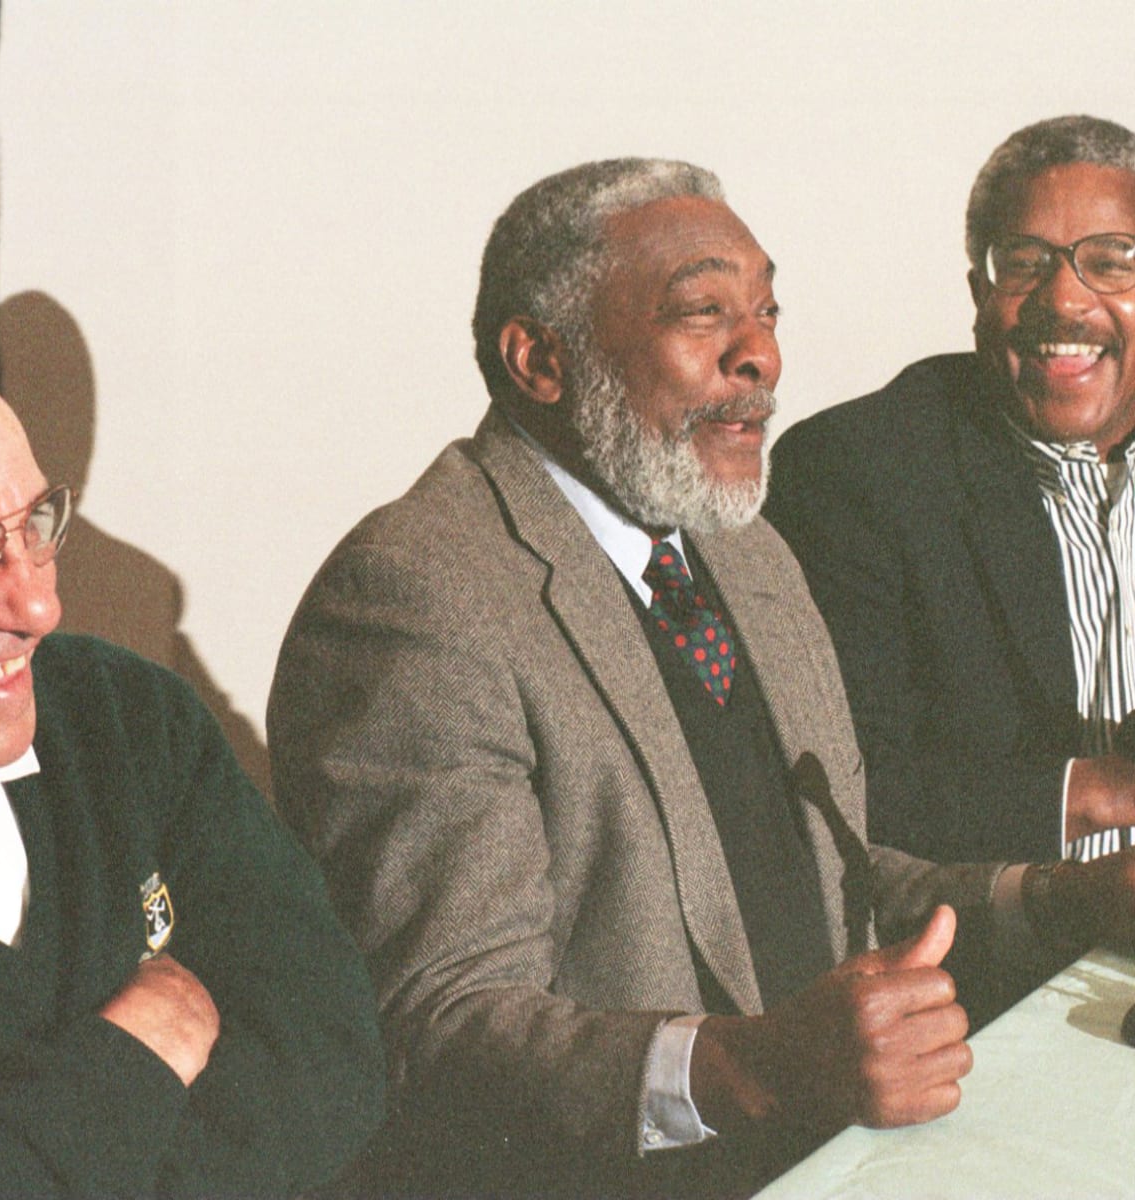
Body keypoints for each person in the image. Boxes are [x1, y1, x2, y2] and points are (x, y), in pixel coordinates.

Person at [268, 158, 1135, 1199]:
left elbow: (846, 878)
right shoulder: (416, 600)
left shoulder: (741, 550)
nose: (760, 354)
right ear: (539, 360)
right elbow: (442, 1024)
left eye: (766, 310)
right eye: (702, 314)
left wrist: (1072, 898)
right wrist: (749, 1067)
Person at [0, 355, 384, 1197]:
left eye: (33, 525)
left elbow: (331, 1053)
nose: (35, 609)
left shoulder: (124, 717)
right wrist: (136, 1052)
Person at [766, 115, 1135, 873]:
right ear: (978, 294)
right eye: (1025, 263)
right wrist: (1104, 791)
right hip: (998, 960)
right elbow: (836, 791)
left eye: (1113, 261)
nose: (1065, 300)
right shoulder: (857, 473)